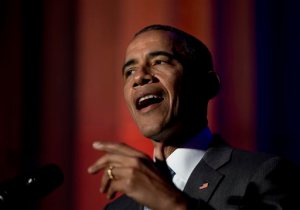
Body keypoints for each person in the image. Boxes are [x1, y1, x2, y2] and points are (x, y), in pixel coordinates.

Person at [87, 24, 299, 210]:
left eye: (160, 61)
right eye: (129, 71)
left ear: (207, 85)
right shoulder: (119, 207)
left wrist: (173, 204)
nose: (139, 77)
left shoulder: (262, 175)